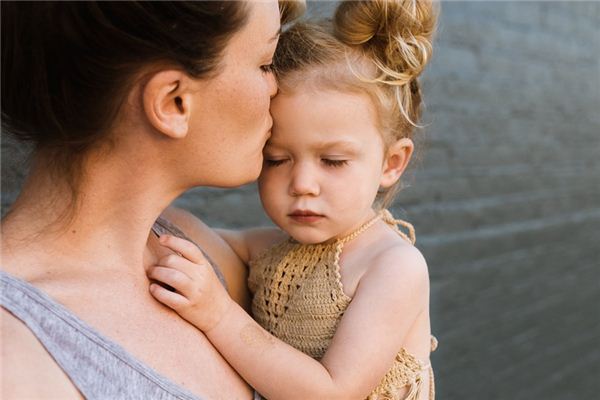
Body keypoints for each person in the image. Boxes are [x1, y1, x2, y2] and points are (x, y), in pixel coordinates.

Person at [0, 1, 304, 399]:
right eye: (265, 63)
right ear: (173, 102)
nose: (277, 86)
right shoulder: (16, 359)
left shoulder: (195, 251)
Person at [147, 1, 439, 399]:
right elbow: (191, 233)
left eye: (332, 162)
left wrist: (219, 316)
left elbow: (332, 393)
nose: (302, 184)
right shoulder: (274, 250)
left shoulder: (392, 267)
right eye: (277, 159)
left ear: (391, 163)